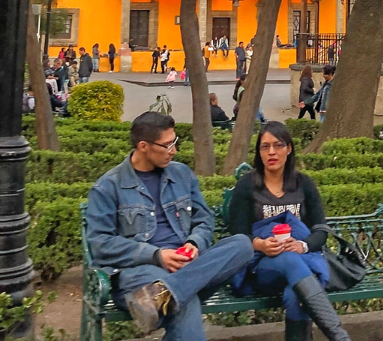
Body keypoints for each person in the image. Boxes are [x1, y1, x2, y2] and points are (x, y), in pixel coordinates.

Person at [85, 112, 254, 338]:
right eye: (167, 145)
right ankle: (168, 292)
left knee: (242, 245)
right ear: (143, 146)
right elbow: (100, 243)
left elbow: (204, 219)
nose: (174, 151)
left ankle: (165, 293)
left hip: (188, 267)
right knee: (185, 301)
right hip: (140, 275)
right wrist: (156, 255)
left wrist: (194, 243)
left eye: (175, 142)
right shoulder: (108, 187)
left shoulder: (182, 174)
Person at [227, 122, 351, 341]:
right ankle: (340, 337)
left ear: (289, 148)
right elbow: (238, 235)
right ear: (259, 151)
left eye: (278, 145)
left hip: (302, 262)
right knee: (289, 260)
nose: (271, 152)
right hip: (261, 267)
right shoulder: (247, 186)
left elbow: (320, 231)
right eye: (265, 146)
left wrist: (302, 245)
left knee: (295, 294)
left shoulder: (304, 184)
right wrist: (261, 244)